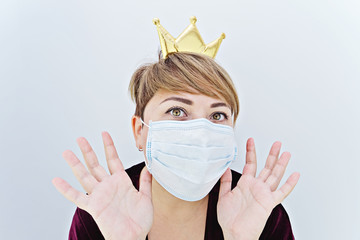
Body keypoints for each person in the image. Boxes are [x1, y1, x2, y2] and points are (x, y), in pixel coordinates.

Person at [52, 18, 300, 240]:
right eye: (177, 111)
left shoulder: (259, 211)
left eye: (217, 115)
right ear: (140, 130)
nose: (200, 132)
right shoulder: (104, 208)